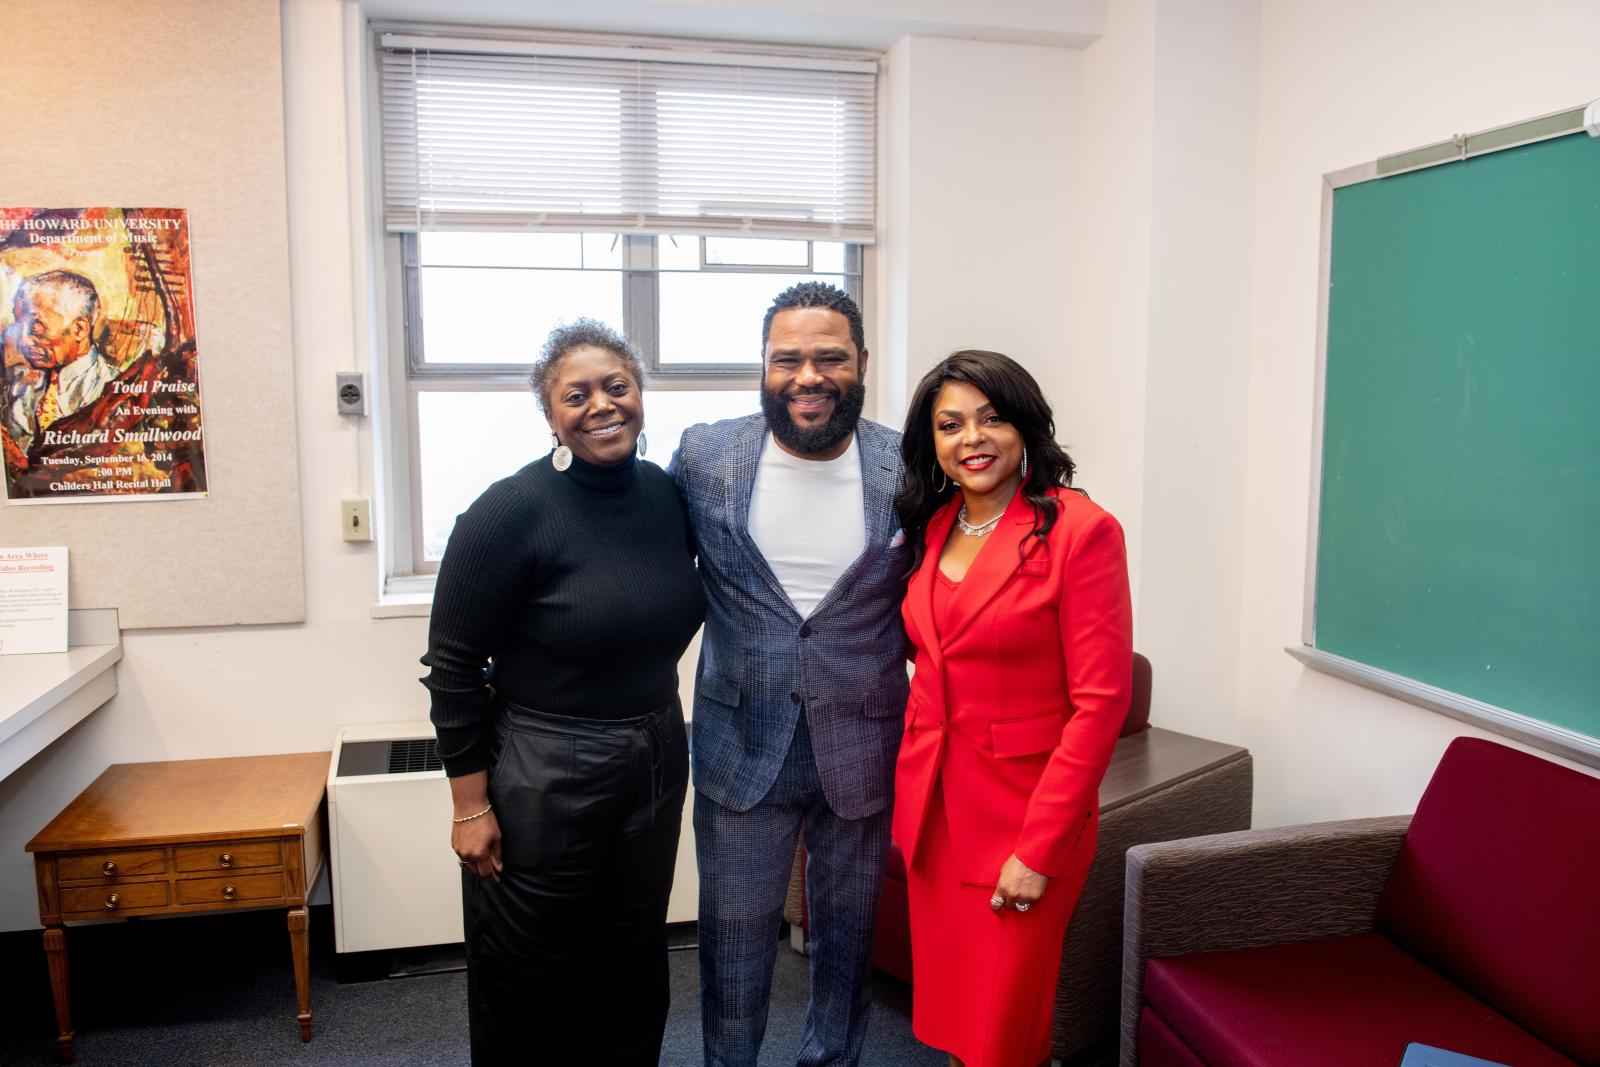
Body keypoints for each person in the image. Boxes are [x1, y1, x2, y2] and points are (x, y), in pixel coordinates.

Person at [421, 319, 705, 1066]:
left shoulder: (666, 496)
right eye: (575, 395)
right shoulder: (508, 512)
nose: (601, 405)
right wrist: (470, 806)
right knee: (532, 968)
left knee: (635, 956)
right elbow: (451, 669)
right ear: (550, 415)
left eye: (617, 386)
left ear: (640, 395)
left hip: (653, 747)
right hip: (545, 764)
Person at [670, 282, 909, 1067]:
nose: (809, 375)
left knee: (847, 948)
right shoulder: (706, 456)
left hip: (863, 747)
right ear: (764, 368)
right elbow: (643, 555)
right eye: (789, 359)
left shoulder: (909, 465)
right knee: (733, 949)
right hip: (742, 744)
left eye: (830, 357)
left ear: (862, 363)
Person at [892, 350, 1133, 1067]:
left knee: (1005, 1029)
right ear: (931, 443)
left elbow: (1101, 703)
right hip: (935, 812)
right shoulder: (934, 527)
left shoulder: (1080, 531)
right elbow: (939, 649)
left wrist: (1039, 848)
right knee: (957, 1020)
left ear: (1025, 425)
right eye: (951, 424)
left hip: (1023, 821)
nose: (973, 438)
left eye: (991, 418)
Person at [4, 271, 115, 452]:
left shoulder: (112, 389)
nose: (23, 341)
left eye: (36, 328)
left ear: (79, 329)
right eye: (20, 325)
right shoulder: (16, 383)